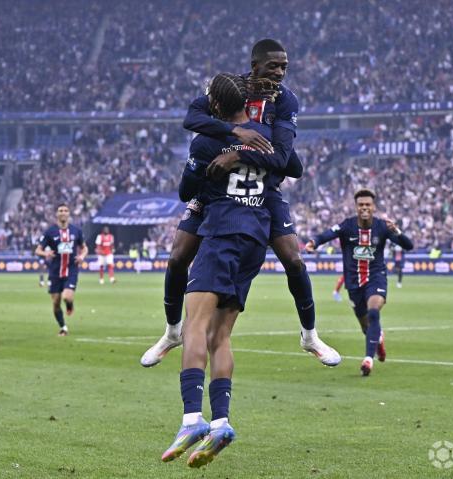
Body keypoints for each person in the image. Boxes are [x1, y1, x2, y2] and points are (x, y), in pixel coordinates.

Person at [142, 38, 340, 368]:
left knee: (293, 259)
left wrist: (238, 153)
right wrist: (236, 132)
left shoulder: (286, 100)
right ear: (254, 66)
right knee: (177, 257)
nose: (280, 72)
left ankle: (310, 336)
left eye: (284, 67)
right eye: (274, 66)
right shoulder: (231, 89)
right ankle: (172, 331)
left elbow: (284, 159)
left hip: (263, 188)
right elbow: (191, 118)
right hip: (214, 186)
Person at [161, 73, 290, 468]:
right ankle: (221, 422)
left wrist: (207, 168)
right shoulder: (266, 135)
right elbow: (288, 165)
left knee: (195, 326)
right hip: (255, 240)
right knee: (221, 335)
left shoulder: (206, 140)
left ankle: (191, 419)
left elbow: (186, 191)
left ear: (216, 106)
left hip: (221, 234)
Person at [306, 189, 414, 376]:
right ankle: (378, 338)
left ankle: (368, 360)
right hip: (354, 282)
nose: (364, 208)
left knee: (373, 312)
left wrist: (397, 231)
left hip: (376, 277)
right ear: (356, 207)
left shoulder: (382, 227)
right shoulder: (347, 226)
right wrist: (314, 242)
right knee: (366, 327)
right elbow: (327, 234)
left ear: (373, 207)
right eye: (361, 205)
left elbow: (408, 245)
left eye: (368, 205)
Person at [35, 203, 88, 336]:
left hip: (71, 269)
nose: (63, 212)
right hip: (55, 271)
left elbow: (84, 248)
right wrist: (45, 253)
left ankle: (70, 304)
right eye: (60, 210)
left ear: (69, 214)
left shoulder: (76, 231)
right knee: (56, 303)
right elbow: (38, 250)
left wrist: (82, 256)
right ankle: (63, 327)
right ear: (57, 214)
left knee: (67, 296)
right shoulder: (50, 232)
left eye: (65, 210)